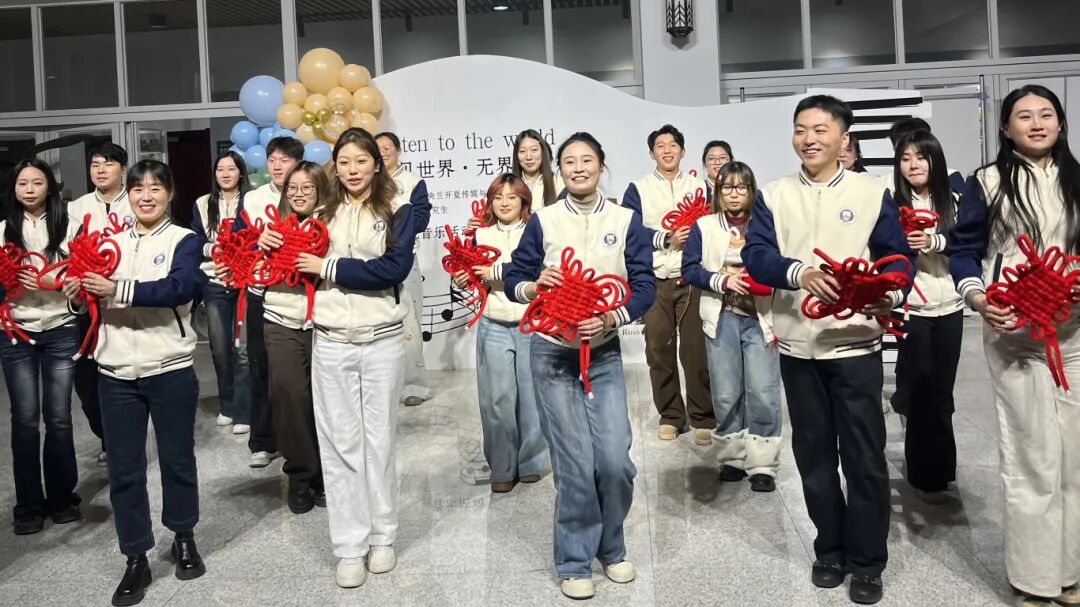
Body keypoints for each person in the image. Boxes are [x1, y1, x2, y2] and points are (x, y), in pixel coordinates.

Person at [743, 95, 915, 605]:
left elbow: (897, 258)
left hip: (855, 345)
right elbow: (757, 255)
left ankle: (867, 561)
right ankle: (829, 550)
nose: (809, 138)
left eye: (821, 129)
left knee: (864, 458)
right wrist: (799, 272)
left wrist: (890, 293)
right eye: (801, 129)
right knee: (814, 457)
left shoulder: (871, 191)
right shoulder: (774, 194)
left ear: (844, 139)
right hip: (798, 348)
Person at [504, 132, 654, 601]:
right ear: (560, 170)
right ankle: (573, 559)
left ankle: (611, 546)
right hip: (552, 353)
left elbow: (644, 285)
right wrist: (533, 287)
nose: (578, 168)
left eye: (587, 160)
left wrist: (612, 317)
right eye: (569, 161)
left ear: (601, 166)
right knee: (574, 463)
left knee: (614, 461)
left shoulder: (625, 220)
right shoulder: (544, 220)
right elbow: (513, 276)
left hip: (603, 352)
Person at [949, 84, 1080, 607]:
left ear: (1060, 123)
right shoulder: (987, 181)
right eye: (1023, 116)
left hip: (1074, 332)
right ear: (1005, 128)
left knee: (1074, 458)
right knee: (1032, 456)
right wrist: (979, 298)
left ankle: (1069, 573)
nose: (1037, 123)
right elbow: (963, 250)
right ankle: (1033, 580)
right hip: (1016, 332)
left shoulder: (1077, 179)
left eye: (1046, 114)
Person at [71, 160, 204, 606]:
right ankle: (135, 556)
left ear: (170, 193)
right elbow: (89, 298)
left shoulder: (184, 240)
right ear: (127, 195)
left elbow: (178, 289)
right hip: (115, 374)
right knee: (125, 471)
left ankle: (183, 536)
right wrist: (79, 296)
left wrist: (115, 288)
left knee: (177, 461)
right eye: (138, 189)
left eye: (155, 188)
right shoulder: (107, 241)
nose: (146, 196)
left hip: (170, 369)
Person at [304, 128, 426, 589]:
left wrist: (328, 267)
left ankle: (383, 538)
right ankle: (349, 546)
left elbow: (393, 268)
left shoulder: (398, 207)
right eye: (344, 162)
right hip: (331, 339)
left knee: (379, 441)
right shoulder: (321, 210)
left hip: (382, 340)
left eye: (361, 160)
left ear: (377, 163)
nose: (352, 170)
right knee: (340, 445)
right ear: (335, 167)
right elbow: (296, 261)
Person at [681, 161, 781, 492]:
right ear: (718, 192)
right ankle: (732, 458)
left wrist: (759, 278)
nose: (734, 194)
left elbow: (779, 263)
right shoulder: (704, 226)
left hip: (761, 318)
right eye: (727, 187)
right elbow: (690, 269)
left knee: (763, 390)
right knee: (725, 392)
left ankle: (763, 463)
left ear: (752, 191)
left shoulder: (766, 224)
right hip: (721, 316)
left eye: (741, 187)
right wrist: (722, 281)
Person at [452, 173, 545, 493]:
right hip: (493, 323)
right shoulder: (479, 235)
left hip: (532, 322)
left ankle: (531, 462)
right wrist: (462, 278)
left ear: (524, 201)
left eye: (512, 197)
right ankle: (502, 467)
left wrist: (495, 272)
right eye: (498, 197)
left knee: (532, 396)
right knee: (497, 398)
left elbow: (540, 271)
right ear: (489, 202)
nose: (504, 203)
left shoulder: (537, 231)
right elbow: (465, 274)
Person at [621, 124, 713, 444]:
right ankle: (671, 416)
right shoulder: (638, 188)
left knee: (695, 352)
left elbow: (715, 226)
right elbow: (629, 231)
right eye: (660, 146)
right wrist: (665, 238)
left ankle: (703, 416)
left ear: (683, 151)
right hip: (655, 280)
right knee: (658, 351)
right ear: (652, 153)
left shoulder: (700, 187)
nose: (667, 150)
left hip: (692, 278)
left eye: (673, 145)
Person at [3, 158, 80, 535]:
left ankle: (63, 498)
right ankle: (29, 504)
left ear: (49, 186)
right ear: (14, 189)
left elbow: (84, 276)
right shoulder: (3, 230)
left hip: (61, 328)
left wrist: (66, 284)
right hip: (16, 332)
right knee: (24, 419)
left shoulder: (70, 224)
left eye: (37, 182)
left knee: (59, 417)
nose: (30, 189)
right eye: (23, 183)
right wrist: (8, 286)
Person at [888, 129, 963, 503]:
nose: (913, 165)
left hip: (951, 305)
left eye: (921, 157)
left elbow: (970, 243)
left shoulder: (954, 199)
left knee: (942, 391)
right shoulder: (892, 203)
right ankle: (923, 475)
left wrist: (935, 241)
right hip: (913, 308)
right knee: (919, 389)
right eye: (905, 158)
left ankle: (944, 469)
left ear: (935, 160)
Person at [256, 161, 328, 514]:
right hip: (280, 321)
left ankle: (326, 474)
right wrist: (259, 249)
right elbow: (253, 273)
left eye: (307, 187)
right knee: (288, 396)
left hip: (325, 324)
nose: (299, 194)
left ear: (320, 190)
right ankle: (300, 475)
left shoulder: (335, 225)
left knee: (324, 401)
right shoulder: (272, 229)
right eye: (293, 188)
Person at [234, 136, 303, 468]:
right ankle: (262, 440)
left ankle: (303, 443)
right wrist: (255, 241)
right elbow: (236, 240)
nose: (277, 166)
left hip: (301, 294)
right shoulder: (252, 199)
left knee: (298, 376)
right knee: (259, 365)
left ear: (298, 163)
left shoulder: (312, 193)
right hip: (261, 292)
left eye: (284, 160)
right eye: (272, 159)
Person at [67, 142, 134, 467]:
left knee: (123, 376)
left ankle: (123, 440)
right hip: (87, 304)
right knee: (86, 381)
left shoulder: (136, 201)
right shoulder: (76, 208)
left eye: (108, 164)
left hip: (125, 302)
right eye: (95, 164)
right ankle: (106, 436)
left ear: (123, 169)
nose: (101, 170)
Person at [191, 151, 251, 434]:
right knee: (220, 348)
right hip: (215, 282)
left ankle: (244, 410)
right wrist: (213, 249)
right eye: (220, 169)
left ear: (241, 172)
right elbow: (195, 240)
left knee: (243, 350)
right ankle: (227, 405)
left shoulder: (252, 201)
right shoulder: (203, 203)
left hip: (246, 282)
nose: (225, 174)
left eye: (231, 169)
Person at [376, 131, 432, 407]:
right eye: (378, 148)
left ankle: (414, 385)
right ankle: (383, 386)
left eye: (388, 147)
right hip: (371, 262)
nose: (384, 152)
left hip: (404, 258)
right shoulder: (368, 180)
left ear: (398, 151)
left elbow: (421, 219)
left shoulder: (412, 182)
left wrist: (395, 223)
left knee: (410, 322)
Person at [512, 129, 564, 207]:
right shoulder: (509, 185)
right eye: (522, 151)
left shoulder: (558, 182)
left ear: (543, 152)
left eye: (534, 150)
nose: (528, 157)